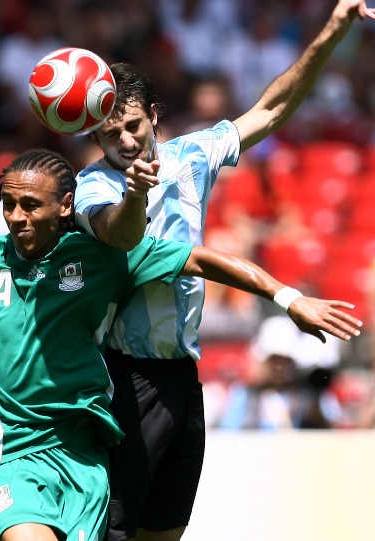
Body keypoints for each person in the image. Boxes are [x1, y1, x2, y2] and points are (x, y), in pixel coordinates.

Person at [0, 148, 362, 541]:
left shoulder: (103, 255)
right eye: (9, 203)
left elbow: (200, 260)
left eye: (30, 205)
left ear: (65, 207)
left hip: (83, 459)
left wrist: (288, 298)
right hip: (9, 453)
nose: (16, 216)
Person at [73, 2, 375, 540]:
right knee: (112, 533)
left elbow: (273, 109)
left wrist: (330, 32)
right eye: (109, 133)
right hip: (123, 375)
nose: (124, 141)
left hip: (183, 376)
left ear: (155, 116)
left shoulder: (194, 154)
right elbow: (120, 236)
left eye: (134, 126)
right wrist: (138, 194)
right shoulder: (95, 186)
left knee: (165, 531)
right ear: (95, 137)